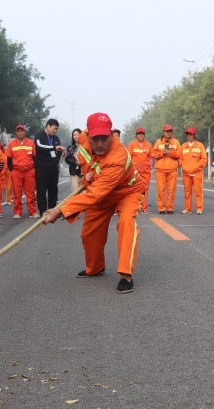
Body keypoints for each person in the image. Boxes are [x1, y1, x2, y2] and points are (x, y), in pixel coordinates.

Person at [43, 112, 144, 294]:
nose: (99, 144)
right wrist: (88, 174)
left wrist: (59, 210)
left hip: (126, 191)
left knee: (127, 223)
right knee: (89, 231)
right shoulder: (82, 139)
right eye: (94, 138)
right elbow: (87, 163)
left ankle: (126, 275)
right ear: (87, 135)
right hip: (102, 189)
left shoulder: (118, 156)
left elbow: (94, 195)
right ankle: (95, 267)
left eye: (104, 138)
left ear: (111, 134)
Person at [6, 124, 38, 219]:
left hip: (29, 171)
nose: (20, 133)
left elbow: (35, 157)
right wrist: (13, 170)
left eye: (22, 131)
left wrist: (33, 169)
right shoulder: (12, 144)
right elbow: (9, 159)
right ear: (16, 133)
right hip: (17, 172)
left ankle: (32, 212)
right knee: (17, 193)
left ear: (25, 132)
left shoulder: (31, 143)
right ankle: (17, 212)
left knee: (31, 193)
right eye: (18, 131)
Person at [34, 118, 65, 215]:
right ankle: (43, 212)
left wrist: (62, 153)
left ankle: (52, 211)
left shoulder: (56, 138)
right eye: (54, 128)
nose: (55, 131)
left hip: (53, 169)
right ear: (48, 126)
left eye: (57, 129)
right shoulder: (39, 136)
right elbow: (39, 146)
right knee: (42, 190)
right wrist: (54, 147)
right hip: (42, 168)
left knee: (53, 190)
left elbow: (58, 151)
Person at [151, 124, 181, 214]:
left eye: (170, 131)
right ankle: (161, 208)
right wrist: (162, 153)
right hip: (160, 170)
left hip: (172, 170)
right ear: (164, 132)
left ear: (172, 132)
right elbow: (153, 154)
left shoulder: (176, 142)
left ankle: (170, 208)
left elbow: (179, 154)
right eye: (167, 131)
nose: (168, 133)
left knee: (171, 190)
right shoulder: (158, 142)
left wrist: (170, 153)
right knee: (161, 190)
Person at [179, 126, 207, 215]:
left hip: (197, 173)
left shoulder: (200, 146)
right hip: (186, 173)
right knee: (187, 191)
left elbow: (204, 159)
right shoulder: (183, 146)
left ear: (194, 135)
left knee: (198, 191)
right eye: (187, 134)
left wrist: (196, 168)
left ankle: (199, 208)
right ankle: (187, 208)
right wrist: (182, 166)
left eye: (190, 134)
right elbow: (180, 158)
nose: (189, 136)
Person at [128, 128, 153, 214]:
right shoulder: (132, 145)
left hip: (146, 172)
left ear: (144, 135)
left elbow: (151, 157)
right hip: (135, 172)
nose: (140, 135)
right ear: (136, 135)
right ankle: (134, 207)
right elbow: (129, 158)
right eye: (139, 134)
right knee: (134, 190)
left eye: (142, 134)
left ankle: (144, 208)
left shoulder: (149, 145)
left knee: (145, 190)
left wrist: (149, 166)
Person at [65, 128, 83, 193]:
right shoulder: (70, 147)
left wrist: (81, 163)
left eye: (78, 134)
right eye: (74, 135)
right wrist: (75, 162)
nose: (76, 136)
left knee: (84, 193)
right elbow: (67, 159)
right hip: (74, 172)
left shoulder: (86, 146)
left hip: (85, 172)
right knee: (75, 192)